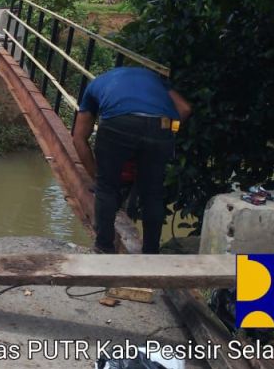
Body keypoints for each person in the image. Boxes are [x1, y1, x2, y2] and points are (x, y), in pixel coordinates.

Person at [71, 67, 192, 254]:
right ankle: (151, 253)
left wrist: (96, 176)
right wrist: (166, 131)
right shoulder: (155, 79)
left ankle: (104, 247)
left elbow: (79, 138)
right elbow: (185, 109)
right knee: (153, 194)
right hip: (161, 123)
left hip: (118, 121)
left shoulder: (97, 83)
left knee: (106, 188)